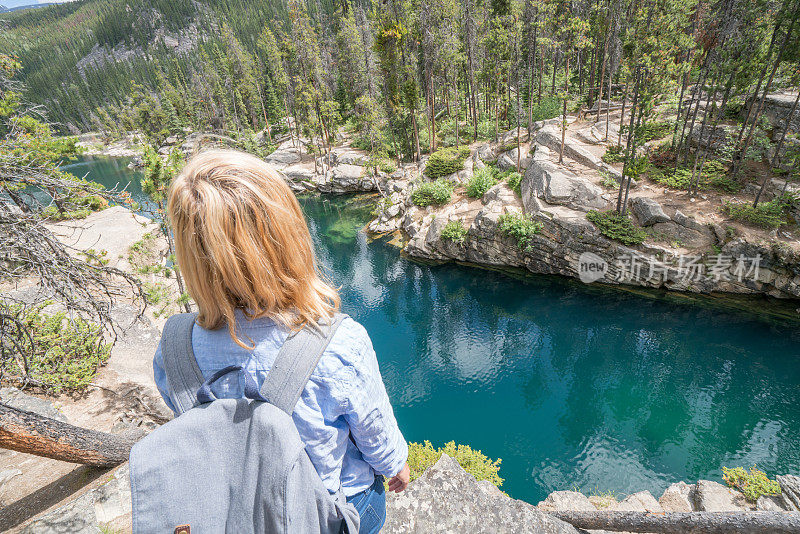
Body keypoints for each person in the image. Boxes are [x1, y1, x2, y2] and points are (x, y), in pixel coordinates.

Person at [151, 149, 410, 533]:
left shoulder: (173, 344)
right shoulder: (337, 341)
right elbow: (372, 428)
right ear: (286, 235)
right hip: (323, 513)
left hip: (237, 511)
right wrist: (396, 466)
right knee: (369, 495)